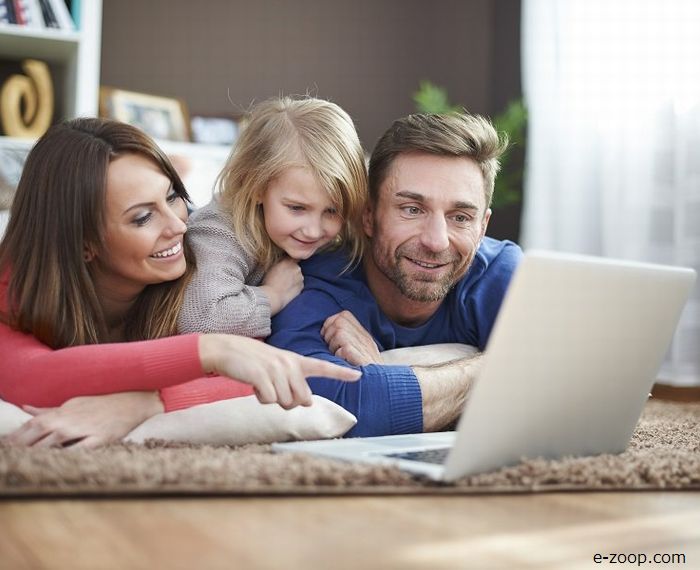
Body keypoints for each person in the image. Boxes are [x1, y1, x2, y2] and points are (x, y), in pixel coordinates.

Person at [0, 118, 360, 447]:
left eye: (172, 196)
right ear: (83, 245)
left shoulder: (206, 270)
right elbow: (32, 377)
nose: (178, 226)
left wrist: (149, 402)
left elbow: (263, 373)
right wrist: (211, 350)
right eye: (142, 218)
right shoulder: (16, 282)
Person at [267, 112, 524, 437]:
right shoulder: (313, 283)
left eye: (460, 217)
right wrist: (507, 365)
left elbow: (565, 383)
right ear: (369, 216)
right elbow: (335, 409)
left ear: (482, 226)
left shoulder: (498, 273)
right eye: (412, 210)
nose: (436, 240)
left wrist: (386, 372)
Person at [178, 96, 367, 337]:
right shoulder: (219, 230)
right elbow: (202, 319)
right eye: (297, 208)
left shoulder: (323, 235)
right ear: (255, 185)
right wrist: (273, 294)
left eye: (332, 211)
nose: (313, 230)